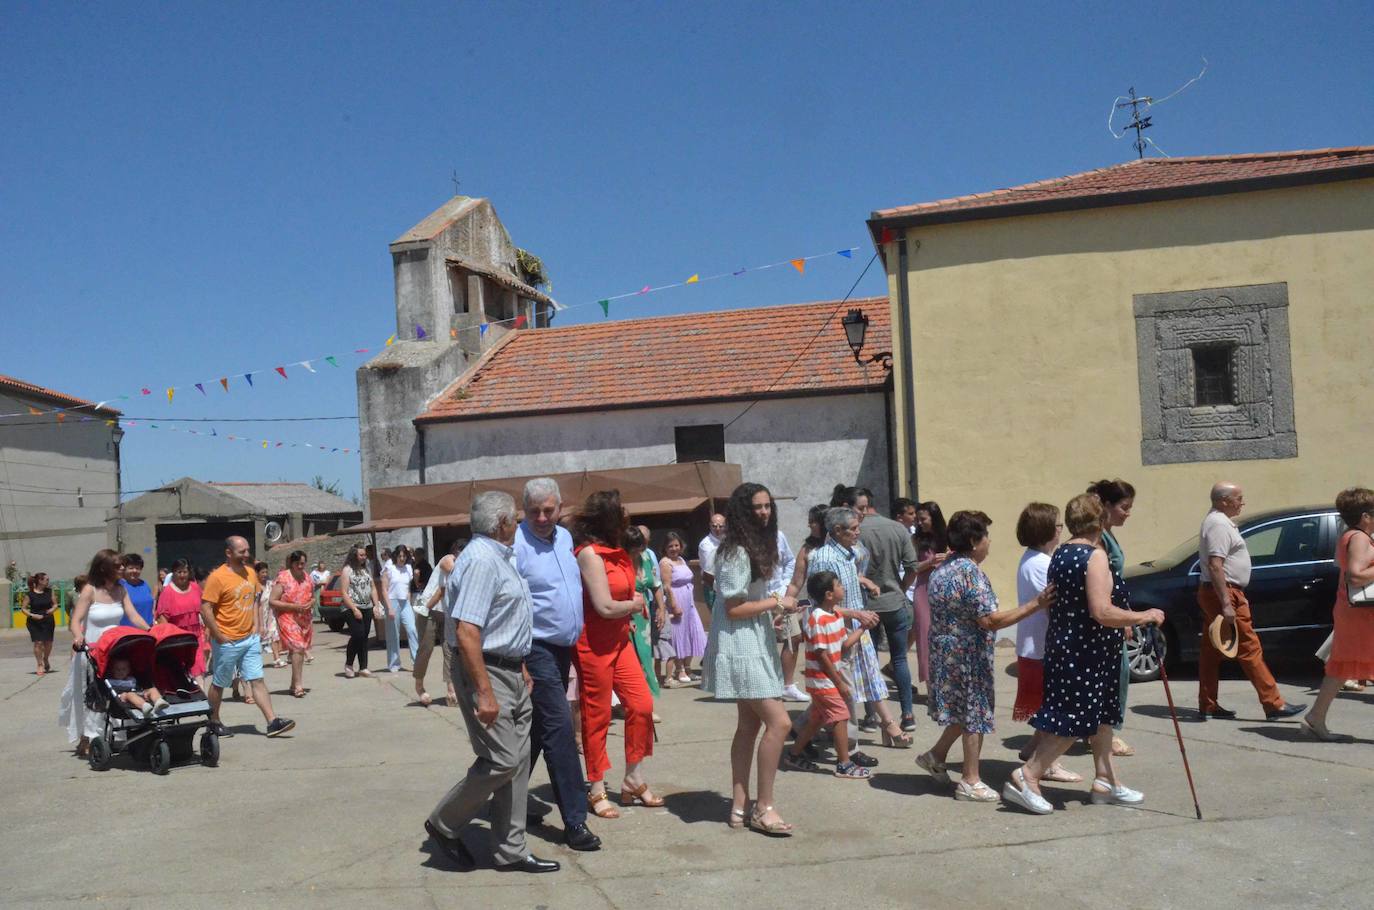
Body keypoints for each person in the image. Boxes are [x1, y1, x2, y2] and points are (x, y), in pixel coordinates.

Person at [424, 490, 559, 875]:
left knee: (516, 763)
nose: (519, 523)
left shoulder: (499, 556)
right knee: (500, 760)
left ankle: (510, 850)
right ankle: (444, 822)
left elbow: (504, 618)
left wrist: (520, 664)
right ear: (501, 523)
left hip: (510, 669)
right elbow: (467, 631)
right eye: (515, 518)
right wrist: (484, 690)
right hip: (487, 671)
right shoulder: (483, 560)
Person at [1004, 494, 1164, 815]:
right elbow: (1101, 611)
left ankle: (1106, 781)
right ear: (1100, 522)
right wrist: (1142, 616)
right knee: (1075, 719)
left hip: (1075, 646)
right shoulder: (1094, 556)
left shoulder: (1061, 553)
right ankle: (1028, 776)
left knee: (1101, 718)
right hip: (1086, 651)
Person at [915, 510, 1054, 803]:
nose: (990, 542)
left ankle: (936, 756)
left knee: (962, 713)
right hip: (966, 657)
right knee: (974, 715)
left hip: (946, 652)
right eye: (986, 536)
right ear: (975, 540)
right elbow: (990, 620)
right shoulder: (969, 572)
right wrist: (1035, 604)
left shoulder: (944, 567)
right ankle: (970, 780)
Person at [701, 482, 798, 836]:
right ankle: (764, 807)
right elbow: (733, 607)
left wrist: (769, 611)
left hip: (753, 638)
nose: (764, 512)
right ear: (742, 511)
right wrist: (777, 603)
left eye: (767, 506)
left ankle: (739, 806)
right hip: (740, 645)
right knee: (781, 723)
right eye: (757, 507)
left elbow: (746, 605)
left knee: (749, 725)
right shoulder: (736, 552)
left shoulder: (752, 547)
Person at [513, 478, 601, 852]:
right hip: (535, 649)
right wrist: (519, 660)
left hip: (564, 648)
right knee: (560, 730)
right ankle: (575, 821)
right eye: (534, 511)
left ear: (560, 507)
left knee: (535, 734)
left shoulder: (565, 538)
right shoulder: (515, 544)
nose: (542, 517)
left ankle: (504, 799)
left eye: (549, 510)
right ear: (524, 510)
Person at [573, 490, 660, 819]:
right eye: (621, 513)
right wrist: (634, 606)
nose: (626, 517)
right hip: (593, 644)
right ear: (607, 518)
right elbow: (604, 605)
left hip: (620, 638)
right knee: (597, 717)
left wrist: (629, 614)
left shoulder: (618, 551)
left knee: (642, 704)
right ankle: (596, 786)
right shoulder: (589, 554)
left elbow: (625, 594)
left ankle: (632, 777)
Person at [1196, 483, 1305, 722]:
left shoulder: (1219, 521)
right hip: (1226, 593)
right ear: (1224, 500)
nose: (1242, 503)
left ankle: (1208, 705)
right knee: (1248, 646)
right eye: (1238, 498)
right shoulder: (1219, 524)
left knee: (1211, 651)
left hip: (1221, 592)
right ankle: (1273, 703)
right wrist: (1226, 603)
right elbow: (1216, 565)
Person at [807, 507, 907, 755]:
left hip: (855, 628)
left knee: (869, 676)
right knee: (842, 689)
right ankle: (849, 749)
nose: (858, 532)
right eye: (853, 528)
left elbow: (849, 589)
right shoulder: (825, 558)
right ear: (837, 531)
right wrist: (856, 615)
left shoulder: (849, 554)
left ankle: (885, 726)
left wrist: (864, 589)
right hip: (837, 633)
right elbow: (821, 602)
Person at [1010, 504, 1080, 783]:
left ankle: (1032, 749)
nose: (1062, 530)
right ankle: (1048, 764)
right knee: (1052, 707)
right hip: (1041, 646)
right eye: (1058, 525)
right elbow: (1053, 607)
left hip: (1034, 644)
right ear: (1047, 530)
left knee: (1044, 704)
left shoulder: (1034, 559)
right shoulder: (1041, 564)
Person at [201, 537, 295, 738]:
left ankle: (272, 722)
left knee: (257, 680)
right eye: (241, 551)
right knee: (220, 683)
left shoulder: (251, 573)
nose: (246, 555)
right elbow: (205, 607)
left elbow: (255, 600)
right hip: (227, 641)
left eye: (247, 550)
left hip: (249, 639)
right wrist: (218, 634)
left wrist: (256, 625)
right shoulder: (217, 577)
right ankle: (214, 721)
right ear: (228, 552)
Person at [781, 571, 870, 779]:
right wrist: (839, 683)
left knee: (816, 719)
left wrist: (864, 628)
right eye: (839, 585)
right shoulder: (818, 619)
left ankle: (793, 755)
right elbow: (821, 656)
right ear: (829, 594)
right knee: (841, 716)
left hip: (826, 679)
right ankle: (844, 764)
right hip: (822, 680)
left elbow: (843, 646)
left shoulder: (835, 615)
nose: (843, 588)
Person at [1301, 488, 1374, 740]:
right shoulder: (1360, 538)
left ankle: (1315, 717)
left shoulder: (1351, 535)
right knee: (1341, 665)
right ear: (1365, 515)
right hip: (1362, 614)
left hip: (1352, 611)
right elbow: (1355, 574)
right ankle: (1315, 718)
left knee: (1341, 666)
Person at [59, 550, 148, 754]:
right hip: (91, 650)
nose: (122, 568)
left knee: (115, 693)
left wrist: (151, 631)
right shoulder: (90, 590)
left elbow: (133, 616)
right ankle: (87, 737)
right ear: (103, 568)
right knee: (90, 696)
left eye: (122, 565)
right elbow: (75, 620)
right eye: (117, 566)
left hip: (114, 651)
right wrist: (77, 636)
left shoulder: (121, 590)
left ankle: (110, 734)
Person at [858, 497, 920, 731]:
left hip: (867, 604)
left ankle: (872, 716)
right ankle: (908, 714)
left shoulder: (856, 530)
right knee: (900, 659)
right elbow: (912, 566)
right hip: (894, 601)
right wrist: (901, 589)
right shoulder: (897, 528)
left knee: (869, 659)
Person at [1088, 479, 1139, 758]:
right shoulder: (1099, 537)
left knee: (1115, 674)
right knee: (1114, 676)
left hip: (1115, 613)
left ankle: (1100, 730)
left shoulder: (1107, 533)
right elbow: (1103, 581)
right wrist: (1123, 618)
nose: (1128, 513)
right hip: (1106, 617)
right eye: (1124, 507)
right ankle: (1105, 732)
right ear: (1105, 506)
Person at [781, 504, 830, 702]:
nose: (809, 524)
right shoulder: (807, 549)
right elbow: (796, 582)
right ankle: (789, 685)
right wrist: (785, 604)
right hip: (813, 607)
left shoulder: (838, 546)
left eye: (814, 521)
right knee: (798, 642)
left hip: (835, 606)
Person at [907, 501, 949, 691]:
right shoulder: (915, 540)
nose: (919, 523)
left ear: (934, 518)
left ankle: (946, 683)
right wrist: (930, 562)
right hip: (923, 591)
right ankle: (932, 688)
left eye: (922, 519)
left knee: (945, 637)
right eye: (917, 519)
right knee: (924, 636)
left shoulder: (948, 538)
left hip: (945, 592)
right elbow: (911, 567)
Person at [417, 540, 463, 707]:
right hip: (427, 608)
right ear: (456, 552)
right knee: (426, 648)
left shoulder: (463, 566)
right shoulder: (447, 559)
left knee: (449, 650)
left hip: (446, 613)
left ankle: (451, 690)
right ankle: (419, 685)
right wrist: (424, 609)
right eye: (462, 554)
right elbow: (441, 592)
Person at [661, 531, 707, 686]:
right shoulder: (665, 563)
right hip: (677, 599)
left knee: (693, 632)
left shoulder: (681, 559)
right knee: (679, 635)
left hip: (689, 602)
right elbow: (667, 586)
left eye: (676, 545)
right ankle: (679, 668)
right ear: (665, 548)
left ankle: (688, 667)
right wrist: (673, 605)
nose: (674, 549)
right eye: (670, 546)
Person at [623, 526, 663, 699]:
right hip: (622, 614)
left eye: (640, 549)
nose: (636, 555)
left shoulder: (646, 557)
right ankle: (630, 701)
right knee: (630, 659)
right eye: (633, 551)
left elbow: (655, 584)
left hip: (643, 615)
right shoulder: (618, 560)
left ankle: (645, 699)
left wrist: (661, 608)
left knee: (645, 656)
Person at [154, 559, 207, 684]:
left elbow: (204, 610)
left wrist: (209, 629)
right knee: (182, 670)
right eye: (179, 572)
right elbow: (163, 620)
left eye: (185, 572)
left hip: (196, 635)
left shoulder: (194, 587)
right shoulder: (167, 592)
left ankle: (203, 698)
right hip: (178, 638)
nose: (182, 575)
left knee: (198, 667)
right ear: (173, 573)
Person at [271, 550, 315, 698]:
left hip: (304, 618)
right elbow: (273, 601)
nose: (301, 566)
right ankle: (298, 685)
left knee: (300, 651)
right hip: (287, 616)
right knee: (298, 647)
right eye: (298, 563)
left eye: (303, 563)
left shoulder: (307, 578)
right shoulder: (283, 578)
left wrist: (311, 603)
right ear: (292, 563)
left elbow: (313, 597)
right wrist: (293, 607)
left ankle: (293, 683)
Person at [341, 545, 382, 678]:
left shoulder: (367, 569)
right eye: (361, 555)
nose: (364, 557)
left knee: (364, 637)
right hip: (351, 607)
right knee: (357, 634)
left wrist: (376, 605)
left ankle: (363, 667)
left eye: (365, 555)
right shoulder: (347, 570)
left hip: (367, 607)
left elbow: (373, 588)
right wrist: (354, 608)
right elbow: (344, 592)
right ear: (354, 556)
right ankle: (349, 664)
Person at [23, 572, 56, 675]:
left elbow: (55, 604)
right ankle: (40, 664)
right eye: (46, 580)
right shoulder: (30, 594)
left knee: (48, 642)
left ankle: (45, 658)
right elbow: (23, 609)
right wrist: (33, 615)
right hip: (34, 621)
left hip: (48, 620)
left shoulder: (50, 592)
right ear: (40, 581)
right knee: (38, 642)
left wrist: (52, 609)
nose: (48, 581)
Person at [253, 561, 284, 670]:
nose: (265, 574)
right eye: (262, 572)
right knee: (257, 639)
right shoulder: (254, 586)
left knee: (274, 635)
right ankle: (254, 662)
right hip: (257, 615)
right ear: (256, 573)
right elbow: (257, 605)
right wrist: (260, 624)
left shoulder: (270, 584)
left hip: (270, 614)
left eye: (266, 572)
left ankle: (277, 659)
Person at [697, 514, 726, 609]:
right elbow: (709, 573)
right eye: (714, 526)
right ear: (710, 526)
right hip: (712, 587)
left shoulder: (726, 541)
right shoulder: (706, 544)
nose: (717, 529)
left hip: (725, 585)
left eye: (721, 526)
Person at [119, 553, 155, 628]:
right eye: (131, 568)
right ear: (124, 569)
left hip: (148, 628)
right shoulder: (120, 586)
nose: (135, 571)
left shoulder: (144, 584)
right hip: (129, 631)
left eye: (137, 568)